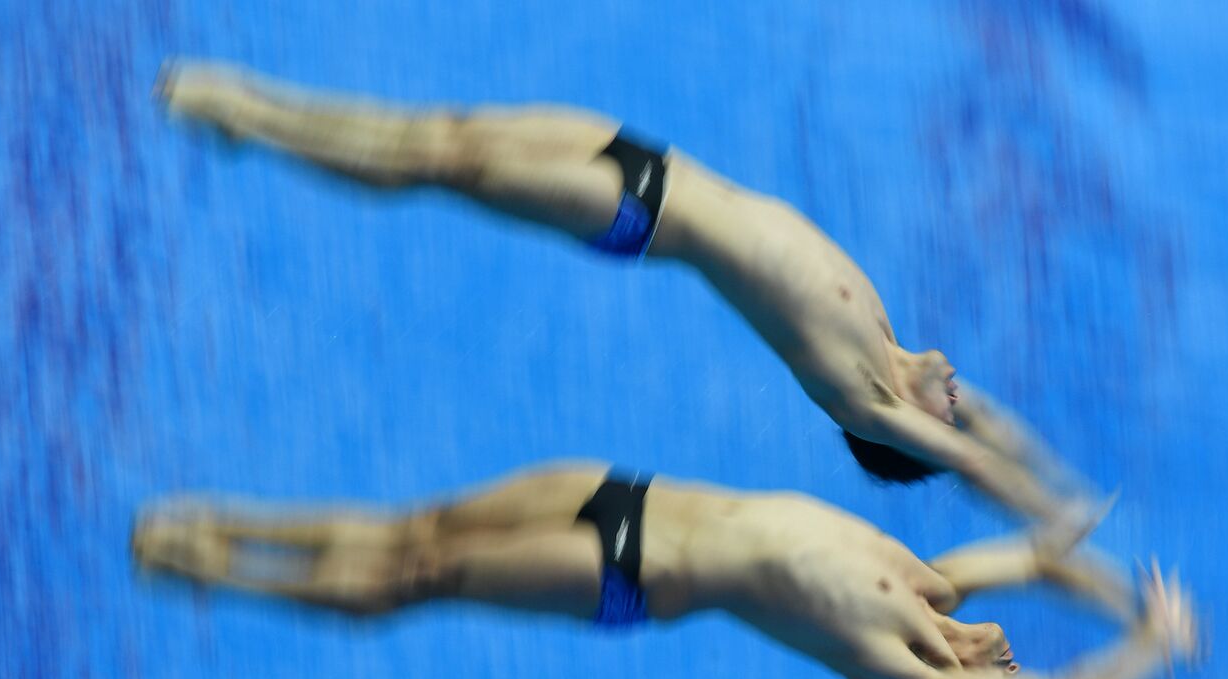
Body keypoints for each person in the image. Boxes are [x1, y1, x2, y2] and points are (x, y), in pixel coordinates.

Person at [154, 61, 1093, 522]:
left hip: (636, 216)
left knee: (441, 163)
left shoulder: (862, 394)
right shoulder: (888, 337)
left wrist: (1050, 519)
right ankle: (257, 106)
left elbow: (974, 459)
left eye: (952, 412)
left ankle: (252, 122)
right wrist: (1064, 477)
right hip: (647, 156)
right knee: (440, 128)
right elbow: (995, 434)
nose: (965, 392)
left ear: (904, 433)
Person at [132, 462, 1197, 679]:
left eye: (1006, 665)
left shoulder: (895, 660)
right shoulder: (935, 590)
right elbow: (1036, 555)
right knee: (427, 526)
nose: (1012, 649)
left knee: (425, 578)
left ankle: (214, 572)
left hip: (631, 574)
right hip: (628, 492)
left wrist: (1147, 648)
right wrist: (1108, 581)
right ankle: (229, 518)